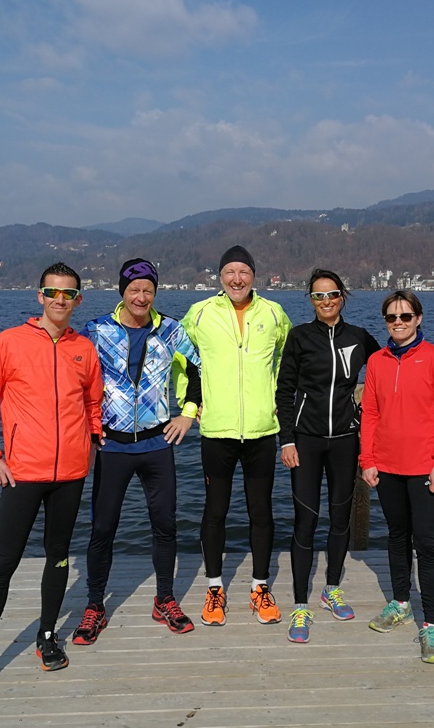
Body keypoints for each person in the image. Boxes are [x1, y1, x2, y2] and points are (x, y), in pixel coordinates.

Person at [0, 262, 102, 716]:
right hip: (21, 472)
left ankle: (48, 634)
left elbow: (92, 402)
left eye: (68, 294)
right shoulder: (9, 342)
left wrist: (92, 442)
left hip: (70, 473)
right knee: (2, 565)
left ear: (78, 300)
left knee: (59, 556)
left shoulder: (83, 349)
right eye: (52, 292)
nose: (60, 300)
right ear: (40, 296)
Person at [73, 258, 202, 644]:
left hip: (157, 443)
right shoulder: (97, 330)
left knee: (165, 525)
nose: (141, 297)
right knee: (103, 528)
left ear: (155, 293)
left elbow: (198, 369)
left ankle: (165, 599)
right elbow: (76, 378)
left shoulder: (171, 331)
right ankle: (95, 605)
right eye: (134, 290)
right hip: (111, 444)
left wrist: (188, 414)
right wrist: (87, 427)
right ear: (122, 292)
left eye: (148, 290)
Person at [180, 245, 292, 626]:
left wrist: (278, 397)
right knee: (215, 511)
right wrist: (190, 403)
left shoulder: (273, 313)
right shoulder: (200, 313)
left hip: (261, 431)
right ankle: (215, 588)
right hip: (217, 430)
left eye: (243, 271)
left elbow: (287, 357)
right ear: (220, 277)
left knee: (261, 512)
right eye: (229, 271)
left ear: (254, 276)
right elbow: (182, 359)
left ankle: (260, 587)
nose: (237, 279)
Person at [275, 269, 379, 643]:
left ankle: (331, 588)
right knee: (305, 520)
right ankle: (300, 605)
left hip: (346, 440)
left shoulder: (359, 337)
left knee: (340, 518)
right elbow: (284, 390)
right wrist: (286, 440)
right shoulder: (300, 337)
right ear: (311, 300)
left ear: (342, 296)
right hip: (306, 440)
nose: (326, 301)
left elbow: (386, 369)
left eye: (332, 294)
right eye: (319, 296)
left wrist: (368, 408)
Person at [360, 290, 434, 665]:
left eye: (405, 316)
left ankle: (431, 623)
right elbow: (370, 414)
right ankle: (401, 602)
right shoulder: (377, 361)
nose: (398, 322)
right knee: (397, 537)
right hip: (386, 467)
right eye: (391, 317)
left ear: (418, 318)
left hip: (426, 468)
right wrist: (368, 459)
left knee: (427, 543)